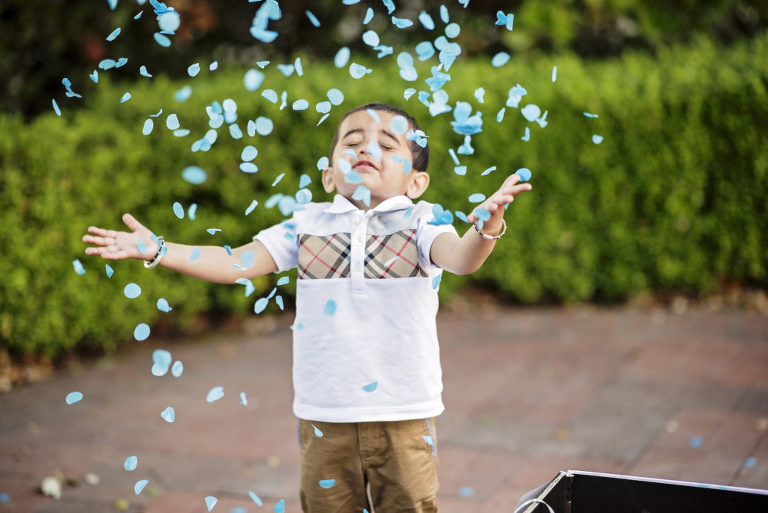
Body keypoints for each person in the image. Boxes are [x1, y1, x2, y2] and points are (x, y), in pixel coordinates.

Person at [83, 102, 532, 512]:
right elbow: (235, 262)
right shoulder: (306, 224)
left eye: (386, 144)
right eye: (352, 142)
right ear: (329, 176)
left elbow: (462, 259)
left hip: (404, 411)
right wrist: (159, 249)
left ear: (416, 182)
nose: (365, 148)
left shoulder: (423, 222)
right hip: (325, 414)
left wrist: (488, 227)